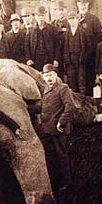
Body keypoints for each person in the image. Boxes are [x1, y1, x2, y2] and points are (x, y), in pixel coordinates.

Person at [27, 64, 75, 192]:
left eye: (51, 75)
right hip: (47, 129)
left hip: (58, 129)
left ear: (56, 76)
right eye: (46, 76)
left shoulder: (63, 88)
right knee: (50, 155)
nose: (49, 78)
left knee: (61, 155)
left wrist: (61, 122)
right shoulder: (46, 90)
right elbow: (44, 108)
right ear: (43, 77)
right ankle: (54, 181)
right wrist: (26, 108)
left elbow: (70, 107)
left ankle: (66, 183)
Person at [76, 0, 102, 96]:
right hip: (76, 57)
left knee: (89, 83)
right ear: (77, 4)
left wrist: (89, 52)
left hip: (89, 56)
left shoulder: (94, 19)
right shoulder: (73, 19)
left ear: (88, 4)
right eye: (80, 3)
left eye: (84, 3)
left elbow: (99, 38)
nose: (82, 6)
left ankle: (89, 106)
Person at [25, 6, 60, 72]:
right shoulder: (30, 29)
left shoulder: (52, 29)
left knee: (49, 75)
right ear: (35, 16)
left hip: (49, 57)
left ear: (45, 16)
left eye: (42, 15)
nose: (40, 18)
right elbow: (27, 45)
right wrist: (28, 58)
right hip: (35, 58)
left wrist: (56, 59)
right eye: (38, 16)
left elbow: (57, 45)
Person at [62, 11, 87, 94]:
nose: (72, 21)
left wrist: (83, 57)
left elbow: (87, 47)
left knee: (81, 81)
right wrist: (67, 59)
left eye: (74, 19)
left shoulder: (83, 32)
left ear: (77, 20)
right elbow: (64, 47)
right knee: (71, 81)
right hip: (70, 59)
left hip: (80, 59)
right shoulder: (66, 33)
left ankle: (82, 102)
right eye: (70, 19)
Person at [51, 0, 68, 77]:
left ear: (65, 10)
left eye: (62, 10)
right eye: (58, 10)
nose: (60, 12)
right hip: (57, 54)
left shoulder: (70, 23)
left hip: (68, 53)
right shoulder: (52, 24)